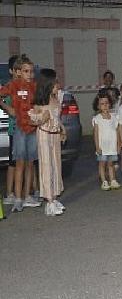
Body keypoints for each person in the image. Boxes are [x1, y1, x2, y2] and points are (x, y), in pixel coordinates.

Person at [0, 55, 39, 212]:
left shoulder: (34, 86)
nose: (29, 74)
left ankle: (27, 194)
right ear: (18, 72)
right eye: (26, 71)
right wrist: (7, 107)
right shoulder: (13, 85)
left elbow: (39, 103)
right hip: (19, 128)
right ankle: (17, 197)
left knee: (30, 162)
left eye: (31, 71)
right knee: (20, 162)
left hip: (32, 127)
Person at [28, 68, 65, 216]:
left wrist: (62, 130)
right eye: (55, 81)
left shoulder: (56, 99)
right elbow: (32, 121)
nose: (57, 84)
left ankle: (54, 197)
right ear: (48, 84)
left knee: (56, 165)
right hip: (44, 135)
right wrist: (41, 119)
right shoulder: (40, 103)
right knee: (46, 166)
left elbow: (57, 118)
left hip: (55, 136)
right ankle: (49, 201)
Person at [93, 91, 122, 191]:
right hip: (102, 146)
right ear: (98, 106)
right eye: (102, 104)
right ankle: (104, 180)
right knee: (102, 163)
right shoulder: (97, 119)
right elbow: (96, 134)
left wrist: (118, 145)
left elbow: (117, 131)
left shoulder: (114, 118)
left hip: (112, 146)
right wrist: (97, 147)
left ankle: (112, 179)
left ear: (110, 104)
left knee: (111, 163)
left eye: (106, 103)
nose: (105, 106)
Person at [1, 55, 18, 207]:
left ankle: (28, 191)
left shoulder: (26, 85)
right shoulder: (9, 86)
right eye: (18, 69)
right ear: (12, 70)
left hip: (26, 128)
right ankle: (9, 193)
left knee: (27, 161)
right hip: (15, 128)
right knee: (13, 162)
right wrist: (9, 108)